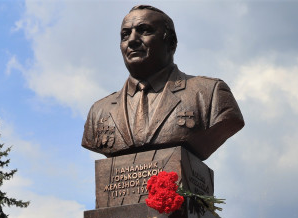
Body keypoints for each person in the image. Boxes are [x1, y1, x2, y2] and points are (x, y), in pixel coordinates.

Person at [82, 5, 244, 161]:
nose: (132, 40)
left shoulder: (210, 93)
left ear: (171, 42)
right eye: (125, 34)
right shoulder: (100, 111)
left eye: (144, 30)